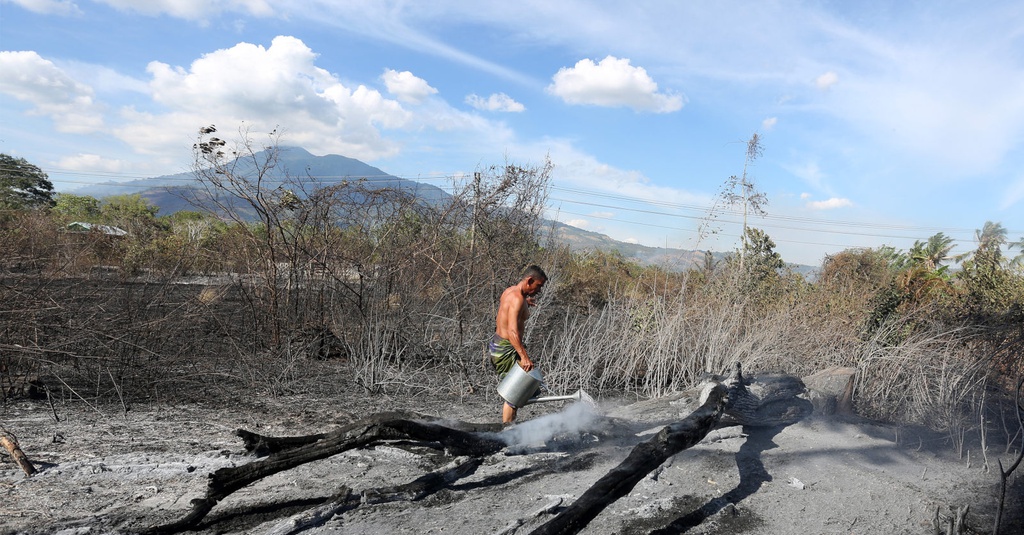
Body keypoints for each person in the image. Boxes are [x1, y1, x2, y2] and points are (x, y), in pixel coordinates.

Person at [489, 265, 547, 424]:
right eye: (538, 286)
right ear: (529, 281)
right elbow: (513, 331)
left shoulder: (511, 292)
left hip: (500, 345)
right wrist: (524, 357)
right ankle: (506, 432)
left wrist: (525, 302)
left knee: (523, 389)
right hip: (505, 349)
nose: (539, 291)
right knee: (514, 394)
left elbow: (509, 311)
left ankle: (509, 427)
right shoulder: (517, 299)